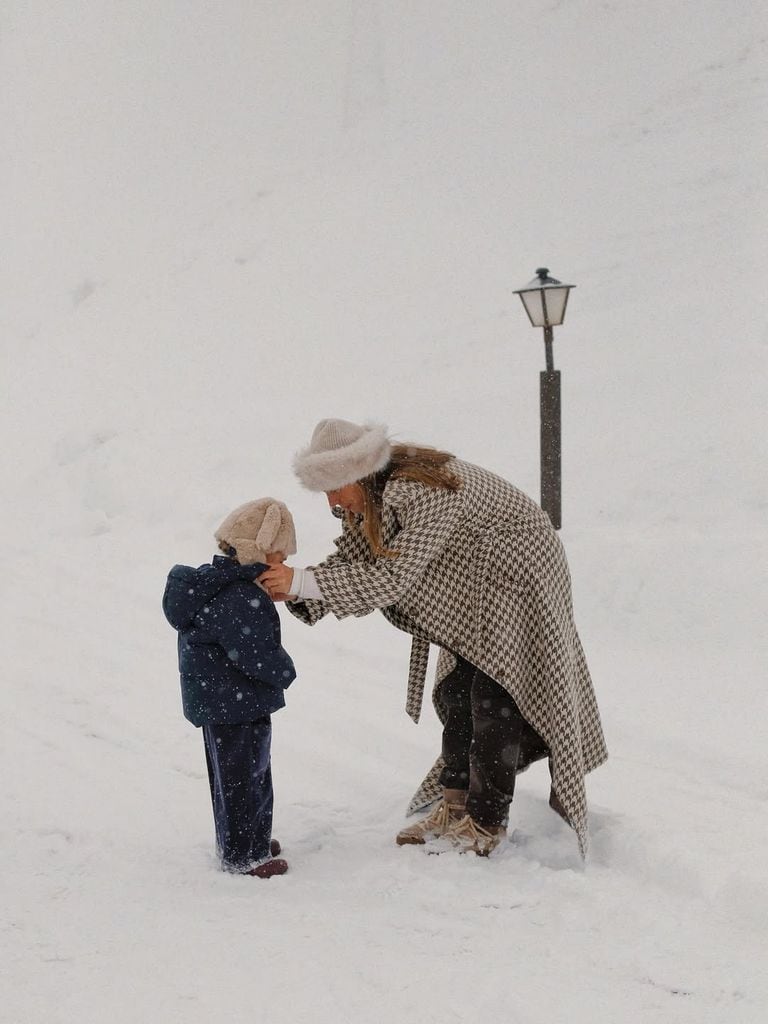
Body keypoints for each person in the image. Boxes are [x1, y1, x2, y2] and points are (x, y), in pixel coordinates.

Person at [260, 419, 607, 858]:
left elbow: (391, 578)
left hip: (521, 572)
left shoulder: (419, 490)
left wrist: (301, 583)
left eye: (335, 487)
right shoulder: (370, 497)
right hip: (476, 579)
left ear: (359, 472)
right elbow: (355, 557)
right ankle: (456, 804)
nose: (332, 501)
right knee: (457, 691)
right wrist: (294, 587)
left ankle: (485, 821)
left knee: (494, 693)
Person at [163, 497, 297, 878]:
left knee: (238, 775)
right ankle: (243, 855)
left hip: (226, 702)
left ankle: (249, 839)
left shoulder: (218, 585)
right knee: (245, 778)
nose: (283, 563)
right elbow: (255, 652)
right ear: (258, 549)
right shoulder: (240, 595)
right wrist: (285, 672)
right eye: (280, 554)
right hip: (236, 703)